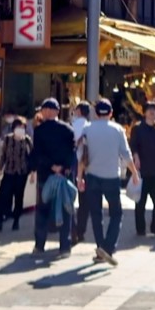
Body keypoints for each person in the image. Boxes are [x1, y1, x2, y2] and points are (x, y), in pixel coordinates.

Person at [79, 100, 136, 265]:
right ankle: (108, 247)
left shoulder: (87, 129)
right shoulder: (117, 129)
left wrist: (79, 177)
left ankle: (100, 247)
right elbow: (126, 153)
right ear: (111, 113)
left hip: (92, 176)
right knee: (116, 213)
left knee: (96, 214)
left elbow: (82, 155)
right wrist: (134, 173)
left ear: (96, 113)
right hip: (111, 176)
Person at [30, 98, 77, 256]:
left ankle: (39, 245)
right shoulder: (68, 129)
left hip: (45, 174)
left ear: (45, 111)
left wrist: (51, 166)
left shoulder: (39, 130)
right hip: (65, 176)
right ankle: (65, 247)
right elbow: (72, 153)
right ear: (57, 112)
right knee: (66, 209)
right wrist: (63, 167)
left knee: (42, 209)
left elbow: (38, 154)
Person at [130, 102, 155, 237]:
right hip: (142, 170)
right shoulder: (138, 128)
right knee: (140, 202)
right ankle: (140, 229)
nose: (152, 112)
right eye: (149, 110)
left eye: (154, 110)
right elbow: (133, 146)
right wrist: (136, 158)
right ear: (144, 112)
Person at [0, 117, 30, 232]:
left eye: (22, 127)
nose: (20, 129)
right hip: (9, 171)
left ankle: (16, 220)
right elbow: (3, 155)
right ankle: (0, 218)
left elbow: (31, 156)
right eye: (18, 127)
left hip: (21, 173)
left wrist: (32, 171)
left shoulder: (27, 140)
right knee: (4, 195)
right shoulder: (8, 139)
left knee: (18, 196)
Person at [70, 101, 92, 243]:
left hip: (72, 163)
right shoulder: (89, 127)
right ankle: (81, 230)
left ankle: (71, 229)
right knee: (85, 201)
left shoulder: (72, 125)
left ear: (78, 111)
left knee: (70, 198)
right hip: (87, 165)